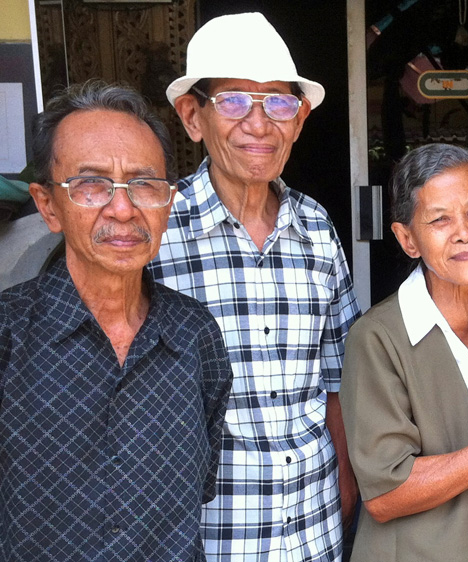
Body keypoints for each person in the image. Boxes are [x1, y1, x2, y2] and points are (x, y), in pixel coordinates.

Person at [0, 81, 231, 562]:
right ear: (48, 205)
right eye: (91, 184)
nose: (122, 209)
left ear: (168, 201)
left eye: (144, 184)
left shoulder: (195, 334)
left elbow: (193, 490)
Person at [149, 12, 360, 561]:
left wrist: (347, 480)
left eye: (279, 104)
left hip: (313, 527)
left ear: (299, 120)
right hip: (205, 535)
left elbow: (338, 374)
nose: (259, 124)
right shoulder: (153, 234)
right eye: (235, 101)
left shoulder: (317, 229)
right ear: (192, 117)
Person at [341, 144, 468, 561]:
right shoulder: (379, 338)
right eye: (439, 220)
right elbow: (386, 492)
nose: (464, 231)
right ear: (408, 239)